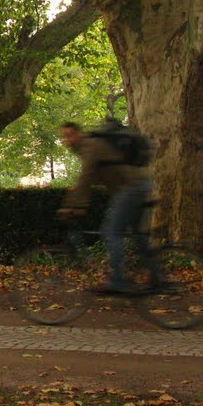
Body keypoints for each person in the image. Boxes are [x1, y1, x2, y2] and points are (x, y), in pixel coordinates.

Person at [57, 121, 153, 293]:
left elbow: (85, 178)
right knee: (138, 234)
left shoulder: (90, 146)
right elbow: (92, 179)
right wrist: (80, 205)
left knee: (111, 232)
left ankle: (117, 281)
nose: (68, 140)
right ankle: (158, 277)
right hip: (137, 185)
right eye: (64, 137)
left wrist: (72, 205)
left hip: (130, 188)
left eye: (70, 135)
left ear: (79, 133)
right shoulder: (90, 146)